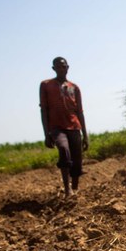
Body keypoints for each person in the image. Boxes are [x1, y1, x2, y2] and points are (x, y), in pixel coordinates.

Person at [39, 57, 89, 198]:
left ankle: (75, 188)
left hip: (74, 126)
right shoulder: (46, 85)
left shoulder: (74, 87)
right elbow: (44, 110)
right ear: (54, 69)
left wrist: (85, 135)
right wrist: (46, 134)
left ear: (67, 68)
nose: (61, 69)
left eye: (63, 66)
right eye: (58, 67)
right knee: (63, 149)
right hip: (56, 126)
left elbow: (80, 112)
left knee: (77, 158)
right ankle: (67, 190)